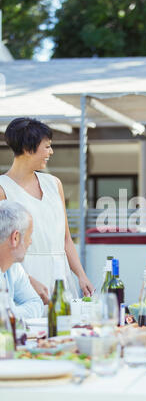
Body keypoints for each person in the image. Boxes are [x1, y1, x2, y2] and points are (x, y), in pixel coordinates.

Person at [0, 117, 94, 306]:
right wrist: (26, 280)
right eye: (47, 146)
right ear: (27, 149)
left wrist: (81, 276)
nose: (51, 152)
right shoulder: (3, 188)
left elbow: (66, 239)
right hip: (27, 279)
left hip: (61, 276)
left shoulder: (54, 184)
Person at [0, 200, 44, 319]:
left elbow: (36, 303)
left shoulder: (13, 267)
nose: (30, 241)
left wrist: (10, 314)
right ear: (15, 237)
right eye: (29, 235)